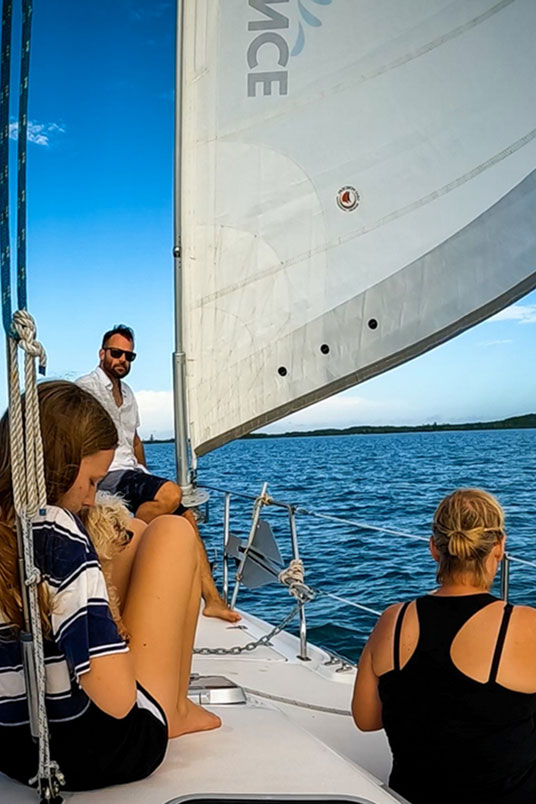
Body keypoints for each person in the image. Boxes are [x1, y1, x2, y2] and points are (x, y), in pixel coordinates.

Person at [0, 381, 221, 791]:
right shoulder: (56, 529)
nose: (90, 499)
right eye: (90, 482)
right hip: (101, 752)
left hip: (13, 753)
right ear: (58, 465)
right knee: (173, 532)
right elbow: (117, 699)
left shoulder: (9, 526)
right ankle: (174, 709)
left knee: (136, 528)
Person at [352, 488, 536, 804]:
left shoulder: (392, 621)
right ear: (500, 546)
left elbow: (366, 720)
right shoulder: (524, 624)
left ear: (434, 549)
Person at [77, 324, 240, 623]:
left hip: (130, 471)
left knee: (185, 515)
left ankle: (213, 600)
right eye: (116, 353)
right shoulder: (86, 388)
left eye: (129, 356)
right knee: (171, 494)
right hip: (106, 473)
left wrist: (147, 475)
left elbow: (135, 439)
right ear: (102, 354)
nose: (122, 360)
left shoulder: (127, 393)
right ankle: (133, 539)